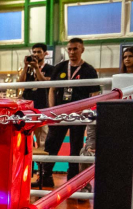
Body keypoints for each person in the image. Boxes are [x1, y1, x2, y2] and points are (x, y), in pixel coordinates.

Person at [38, 38, 101, 187]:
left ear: (82, 50)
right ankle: (46, 175)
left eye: (75, 49)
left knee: (75, 147)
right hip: (60, 113)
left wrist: (88, 114)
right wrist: (53, 111)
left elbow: (94, 94)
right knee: (51, 144)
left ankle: (72, 179)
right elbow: (52, 89)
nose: (72, 52)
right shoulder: (60, 67)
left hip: (79, 115)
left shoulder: (89, 70)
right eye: (70, 49)